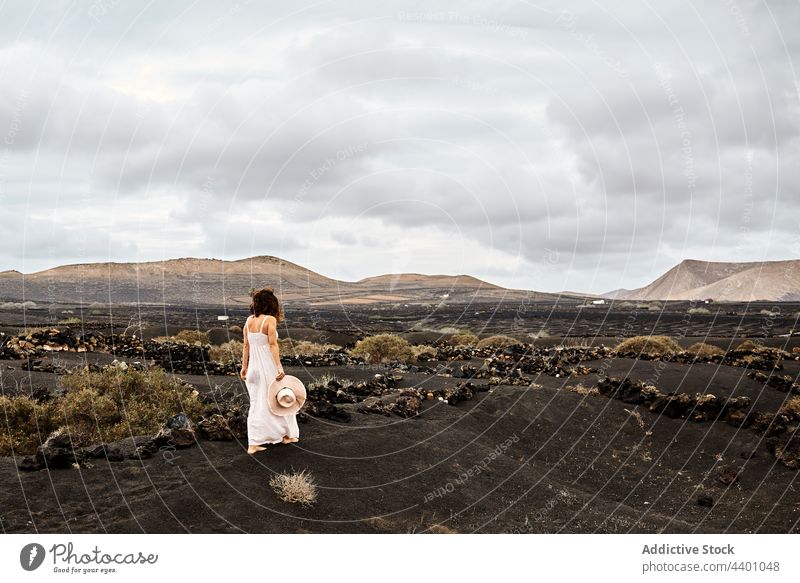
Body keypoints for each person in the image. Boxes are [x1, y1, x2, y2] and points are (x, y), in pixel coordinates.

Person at [240, 287, 300, 454]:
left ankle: (254, 442)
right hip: (267, 367)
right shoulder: (270, 320)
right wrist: (279, 367)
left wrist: (244, 367)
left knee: (256, 404)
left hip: (253, 369)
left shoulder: (248, 321)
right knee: (280, 399)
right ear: (271, 304)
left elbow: (246, 346)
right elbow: (273, 345)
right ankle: (287, 435)